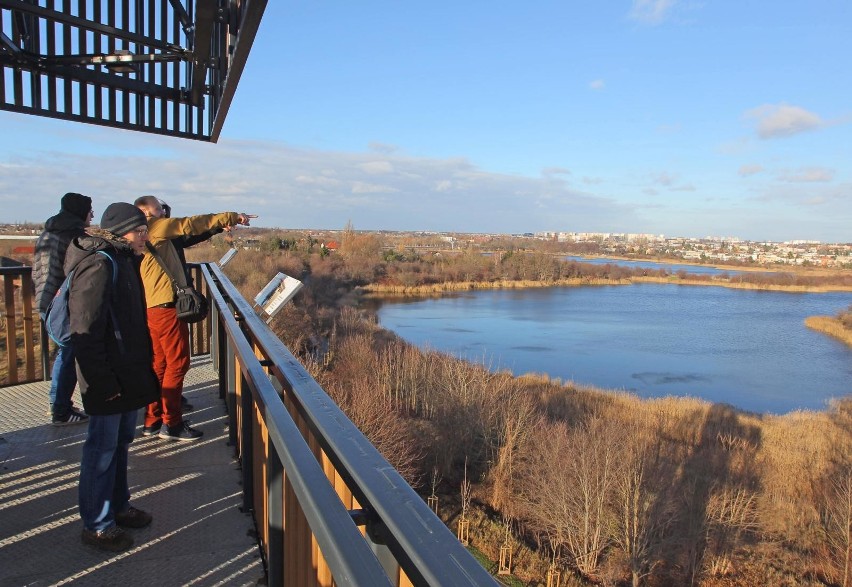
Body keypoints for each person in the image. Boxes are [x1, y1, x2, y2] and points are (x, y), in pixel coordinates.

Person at [66, 202, 160, 552]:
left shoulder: (121, 260)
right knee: (101, 451)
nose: (145, 237)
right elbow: (85, 331)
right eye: (140, 231)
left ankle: (119, 507)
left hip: (125, 374)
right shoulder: (100, 264)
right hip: (108, 379)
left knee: (119, 445)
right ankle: (97, 524)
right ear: (123, 232)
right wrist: (102, 383)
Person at [133, 196, 256, 441]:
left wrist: (218, 227)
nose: (164, 212)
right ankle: (172, 424)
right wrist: (232, 216)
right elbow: (190, 225)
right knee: (178, 363)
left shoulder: (140, 232)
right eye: (159, 209)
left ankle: (153, 419)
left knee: (160, 364)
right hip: (165, 306)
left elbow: (187, 236)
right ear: (146, 212)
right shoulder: (154, 226)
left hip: (152, 307)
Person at [32, 192, 94, 425]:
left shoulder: (49, 232)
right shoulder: (72, 236)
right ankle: (60, 409)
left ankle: (58, 404)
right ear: (80, 211)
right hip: (63, 303)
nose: (92, 214)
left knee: (64, 353)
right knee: (69, 354)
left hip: (46, 299)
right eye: (90, 210)